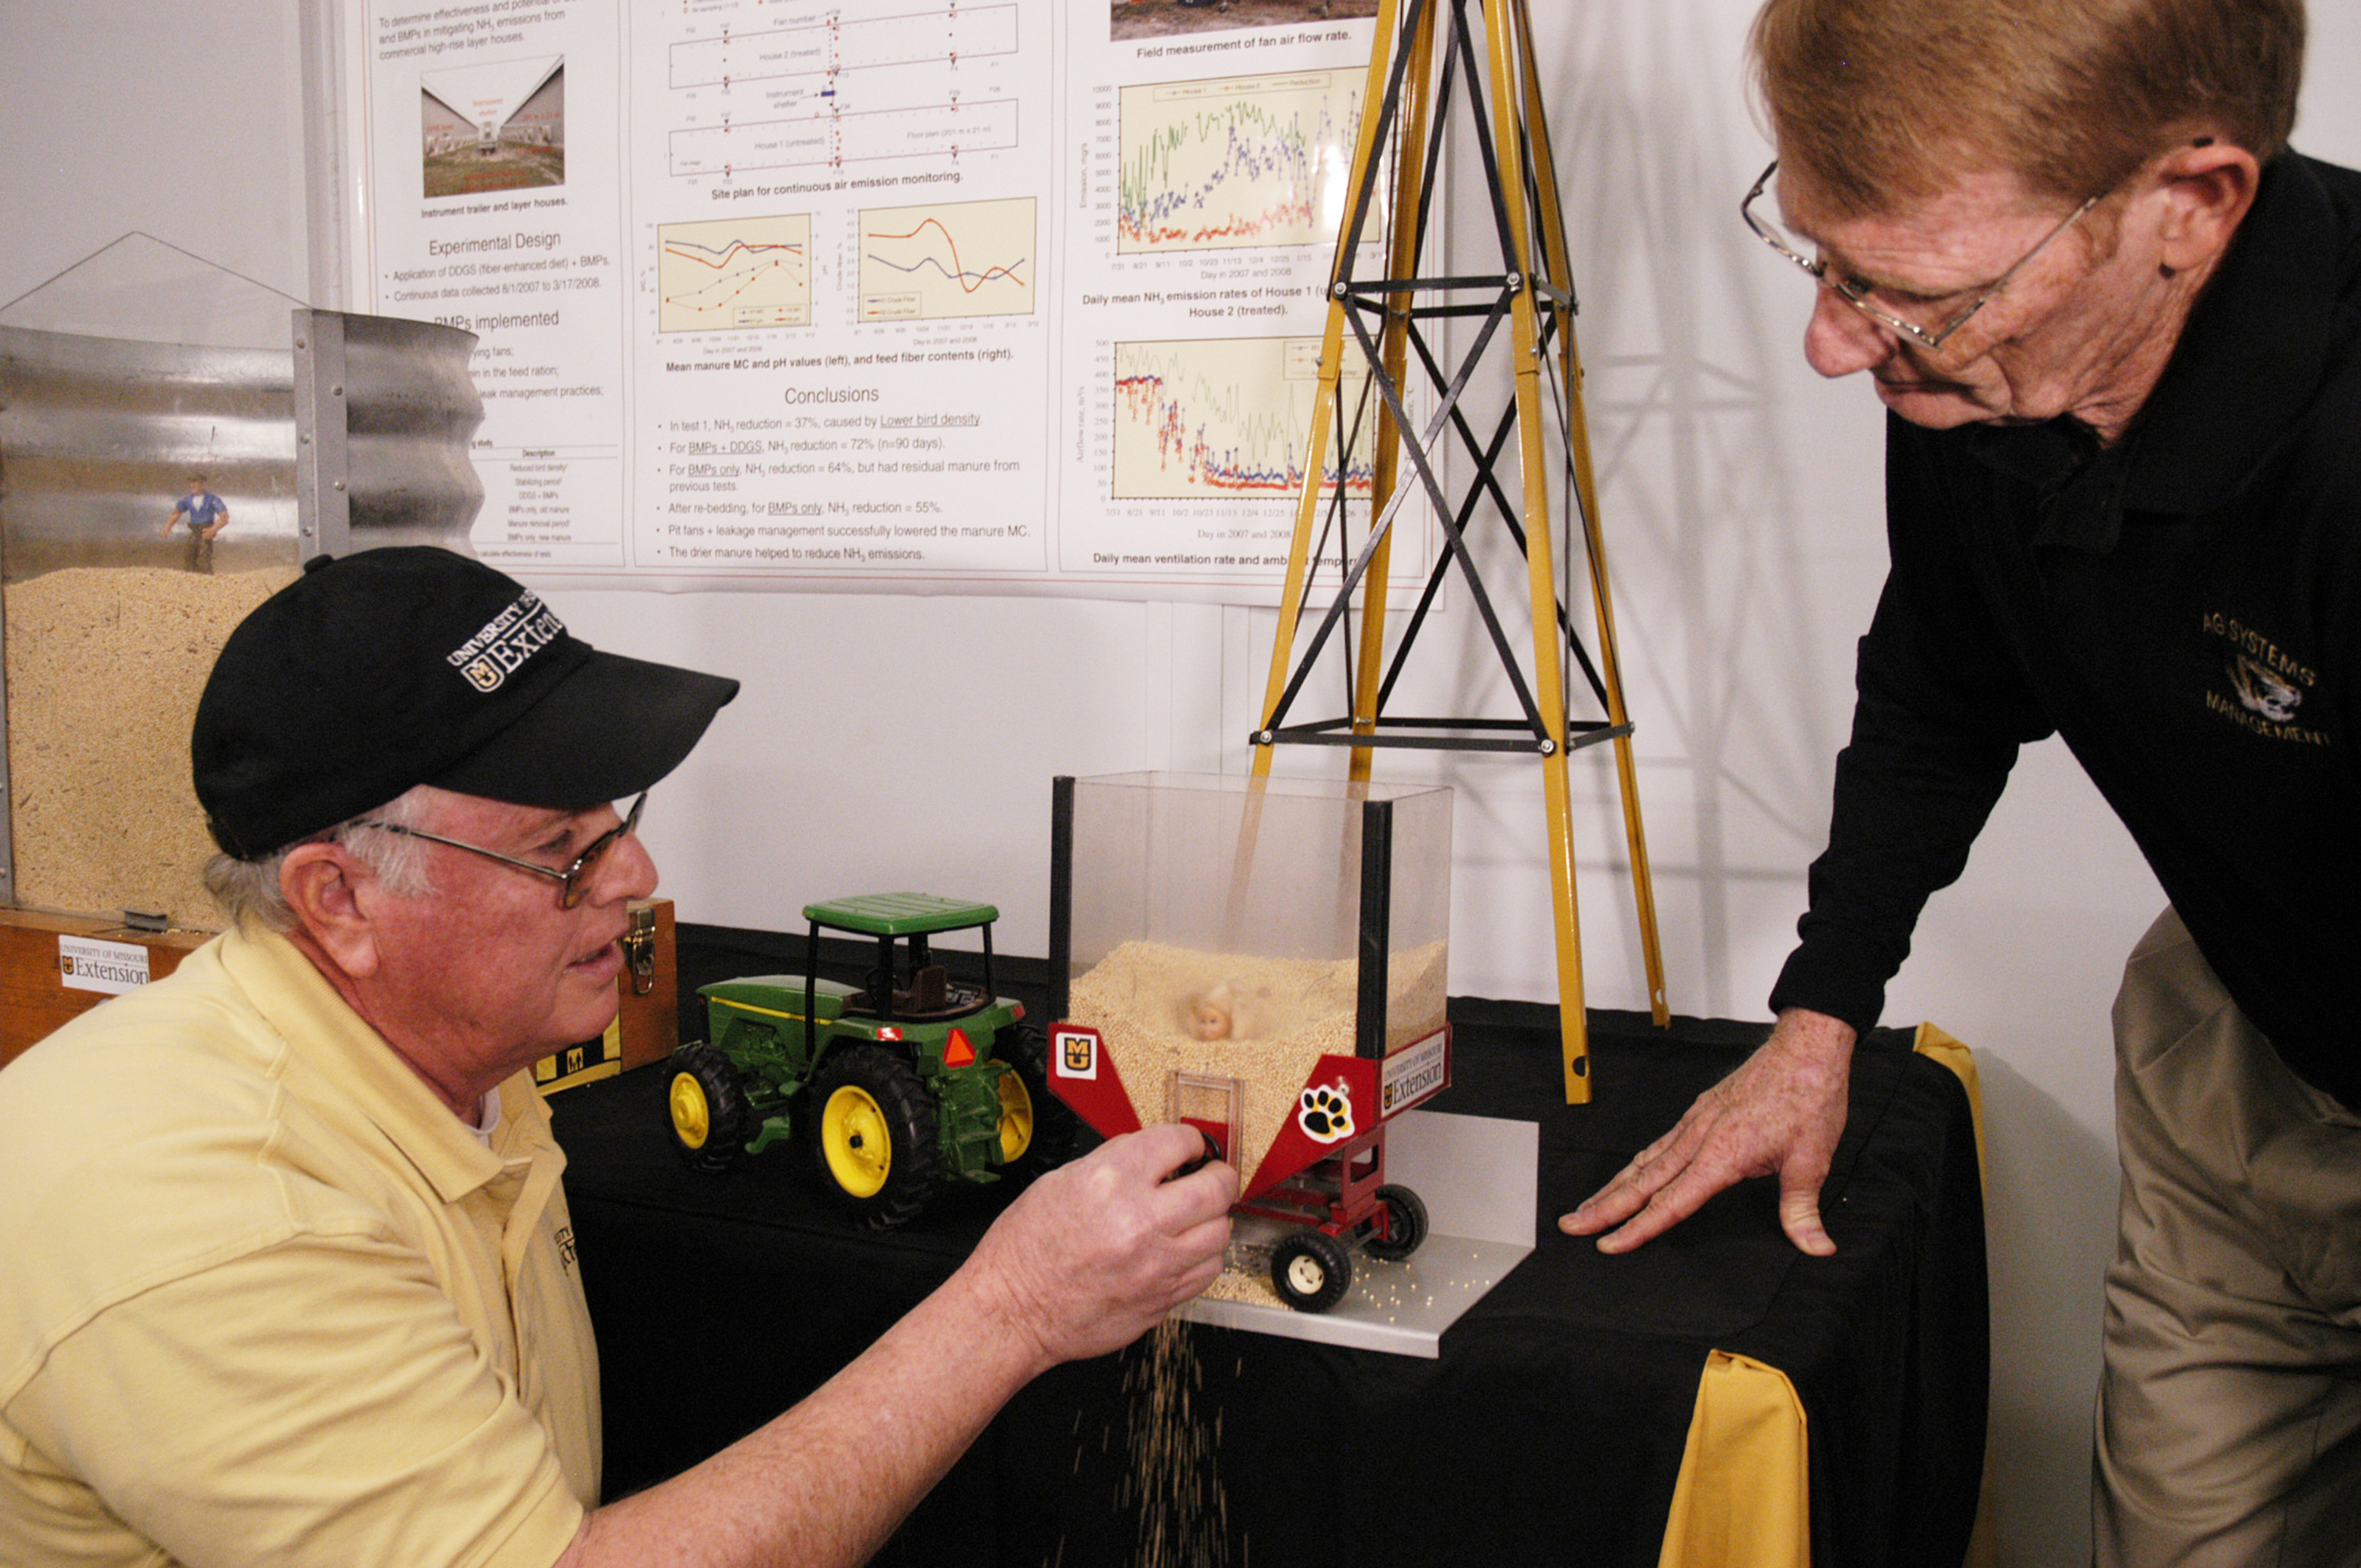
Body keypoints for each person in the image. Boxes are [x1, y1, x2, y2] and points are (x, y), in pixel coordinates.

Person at [0, 546, 1236, 1568]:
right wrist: (1011, 1306)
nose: (634, 876)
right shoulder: (219, 1214)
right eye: (561, 846)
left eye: (615, 819)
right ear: (340, 900)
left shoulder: (462, 1058)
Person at [1562, 2, 2358, 1562]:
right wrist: (1821, 1008)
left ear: (2185, 209)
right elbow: (1943, 675)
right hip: (2249, 1057)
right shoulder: (1976, 375)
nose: (1833, 340)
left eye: (1906, 291)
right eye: (1823, 262)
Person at [161, 472, 229, 574]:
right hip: (194, 531)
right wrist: (167, 527)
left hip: (206, 532)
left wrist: (212, 530)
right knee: (189, 555)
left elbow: (224, 518)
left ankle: (207, 579)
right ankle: (191, 578)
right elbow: (176, 513)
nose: (193, 485)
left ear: (203, 484)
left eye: (196, 482)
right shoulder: (188, 500)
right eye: (191, 482)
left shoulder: (212, 499)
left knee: (204, 557)